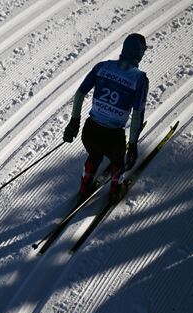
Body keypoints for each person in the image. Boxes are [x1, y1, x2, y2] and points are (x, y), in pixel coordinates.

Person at [63, 33, 149, 204]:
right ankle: (115, 192)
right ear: (139, 53)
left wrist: (74, 122)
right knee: (118, 161)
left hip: (90, 131)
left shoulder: (102, 67)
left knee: (94, 154)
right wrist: (132, 145)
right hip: (113, 136)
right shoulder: (140, 78)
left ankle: (84, 185)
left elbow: (80, 94)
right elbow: (137, 115)